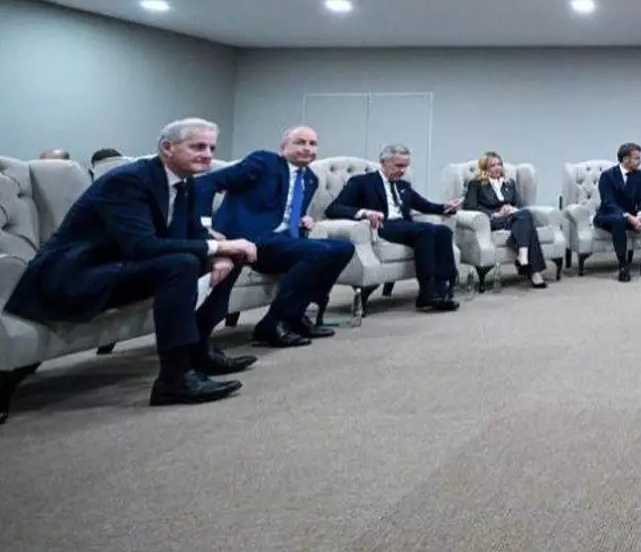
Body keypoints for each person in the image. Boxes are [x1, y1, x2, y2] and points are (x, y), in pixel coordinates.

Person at [3, 118, 258, 407]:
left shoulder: (185, 183)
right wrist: (219, 245)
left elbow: (192, 233)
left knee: (229, 257)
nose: (208, 155)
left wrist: (220, 252)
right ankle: (174, 381)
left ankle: (200, 351)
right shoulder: (127, 181)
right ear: (167, 148)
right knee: (182, 264)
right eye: (198, 147)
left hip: (122, 265)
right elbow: (142, 245)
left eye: (211, 148)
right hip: (77, 273)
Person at [198, 125, 356, 347]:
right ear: (283, 148)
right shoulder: (264, 162)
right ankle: (272, 324)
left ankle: (296, 315)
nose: (307, 148)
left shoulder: (310, 179)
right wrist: (206, 228)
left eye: (313, 144)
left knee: (343, 248)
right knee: (319, 252)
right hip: (249, 238)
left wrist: (303, 219)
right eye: (300, 142)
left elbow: (285, 210)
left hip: (281, 241)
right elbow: (205, 183)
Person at [326, 143, 463, 311]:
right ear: (383, 162)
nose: (403, 170)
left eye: (405, 166)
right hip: (382, 225)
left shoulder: (403, 185)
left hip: (404, 225)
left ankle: (443, 290)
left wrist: (446, 207)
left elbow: (424, 205)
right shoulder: (362, 182)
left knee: (443, 231)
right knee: (425, 230)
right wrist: (364, 213)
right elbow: (333, 209)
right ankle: (427, 293)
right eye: (398, 166)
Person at [462, 151, 548, 288]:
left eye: (499, 164)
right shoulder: (476, 184)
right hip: (493, 220)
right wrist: (496, 214)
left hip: (512, 218)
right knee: (527, 222)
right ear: (485, 168)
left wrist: (512, 209)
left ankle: (524, 256)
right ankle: (534, 271)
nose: (497, 168)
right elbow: (469, 207)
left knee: (525, 215)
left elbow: (520, 205)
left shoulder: (509, 183)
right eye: (492, 165)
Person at [595, 142, 641, 282]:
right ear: (625, 159)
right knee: (619, 220)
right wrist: (629, 217)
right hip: (608, 215)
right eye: (637, 158)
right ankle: (623, 267)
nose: (640, 161)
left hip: (632, 216)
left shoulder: (639, 175)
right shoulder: (607, 176)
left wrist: (640, 215)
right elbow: (609, 203)